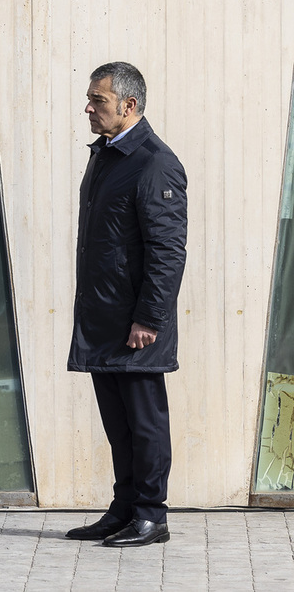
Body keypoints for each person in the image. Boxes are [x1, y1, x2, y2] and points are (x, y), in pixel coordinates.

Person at [64, 62, 187, 547]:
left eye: (99, 101)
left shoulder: (154, 162)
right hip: (104, 316)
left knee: (144, 421)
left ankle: (152, 516)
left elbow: (167, 249)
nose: (89, 108)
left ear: (129, 106)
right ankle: (124, 509)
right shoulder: (107, 155)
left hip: (135, 324)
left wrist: (149, 318)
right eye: (91, 99)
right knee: (119, 424)